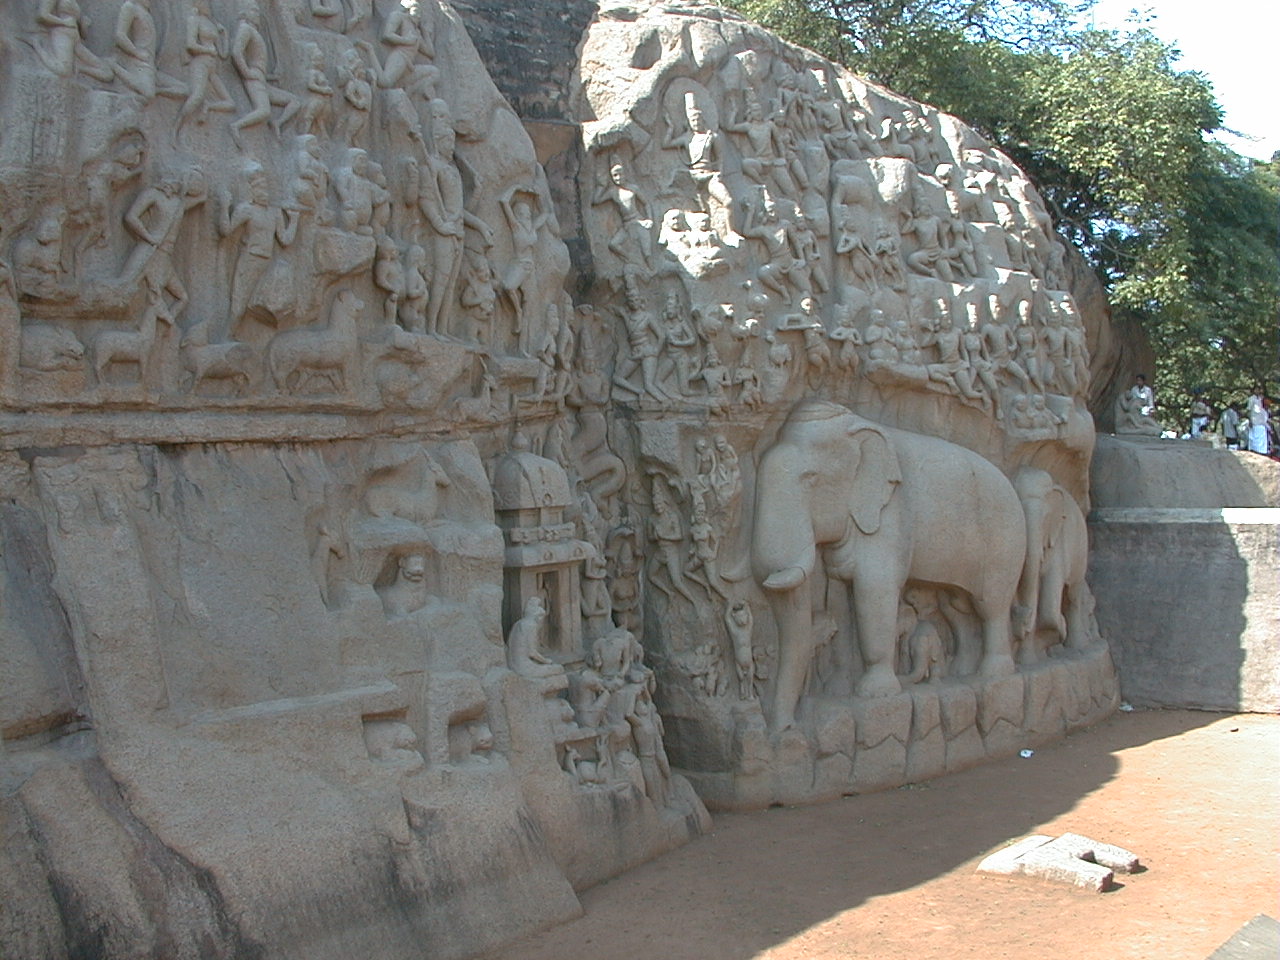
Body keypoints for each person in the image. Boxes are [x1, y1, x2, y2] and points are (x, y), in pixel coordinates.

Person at [1246, 387, 1270, 455]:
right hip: (1255, 420)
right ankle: (1255, 451)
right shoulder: (1251, 399)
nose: (1258, 391)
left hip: (1261, 421)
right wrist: (1250, 420)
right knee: (1255, 437)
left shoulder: (1260, 399)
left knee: (1262, 437)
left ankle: (1262, 452)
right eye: (1256, 389)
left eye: (1259, 389)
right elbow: (1249, 410)